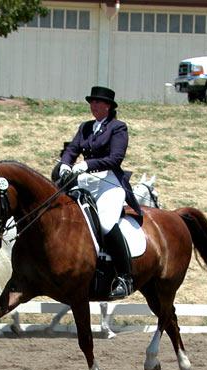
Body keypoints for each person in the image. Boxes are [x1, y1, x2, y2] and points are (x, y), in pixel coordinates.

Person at [57, 86, 142, 299]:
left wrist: (87, 165)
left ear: (108, 106)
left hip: (108, 184)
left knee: (105, 224)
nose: (93, 106)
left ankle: (125, 276)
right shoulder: (85, 127)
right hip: (85, 182)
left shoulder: (118, 128)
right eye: (91, 102)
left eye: (97, 103)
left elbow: (116, 158)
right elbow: (72, 150)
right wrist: (66, 164)